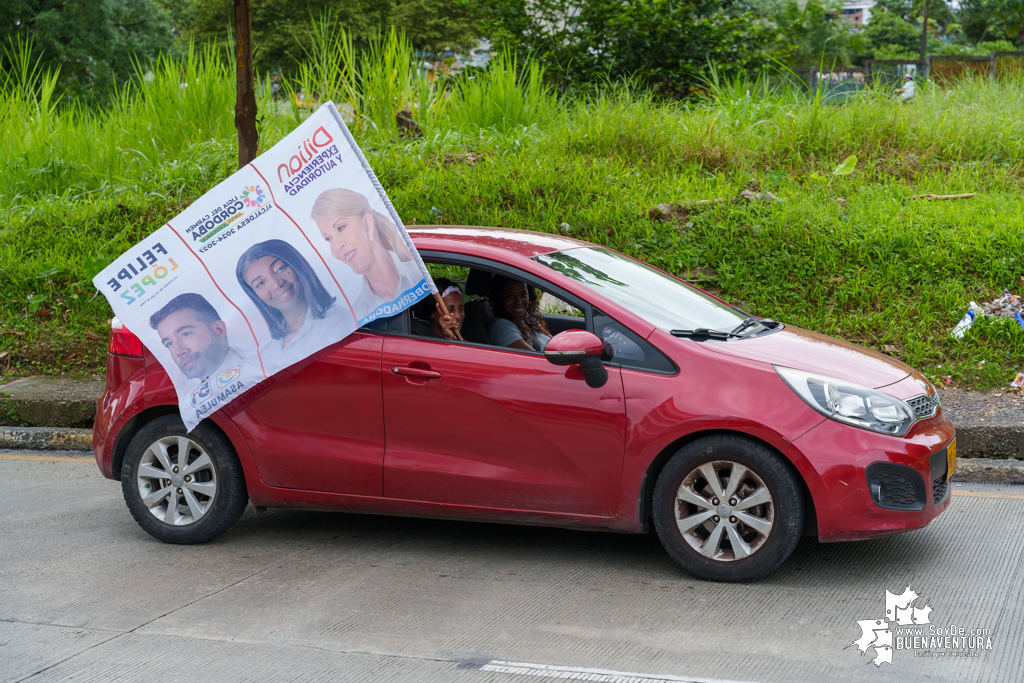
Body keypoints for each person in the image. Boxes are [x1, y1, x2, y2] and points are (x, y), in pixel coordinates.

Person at [309, 188, 427, 325]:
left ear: (367, 223)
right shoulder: (356, 317)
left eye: (340, 228)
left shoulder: (420, 275)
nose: (336, 246)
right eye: (328, 238)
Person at [236, 239, 351, 367]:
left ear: (297, 266)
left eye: (279, 269)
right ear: (255, 295)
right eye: (260, 283)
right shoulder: (265, 353)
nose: (276, 284)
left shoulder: (338, 320)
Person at [149, 293, 264, 405]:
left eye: (185, 334)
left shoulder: (261, 369)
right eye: (169, 344)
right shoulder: (194, 401)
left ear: (219, 330)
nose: (179, 351)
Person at [487, 274, 552, 351]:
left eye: (523, 294)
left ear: (529, 295)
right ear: (500, 298)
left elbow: (553, 341)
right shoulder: (502, 327)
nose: (518, 301)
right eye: (510, 296)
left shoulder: (527, 318)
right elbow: (534, 358)